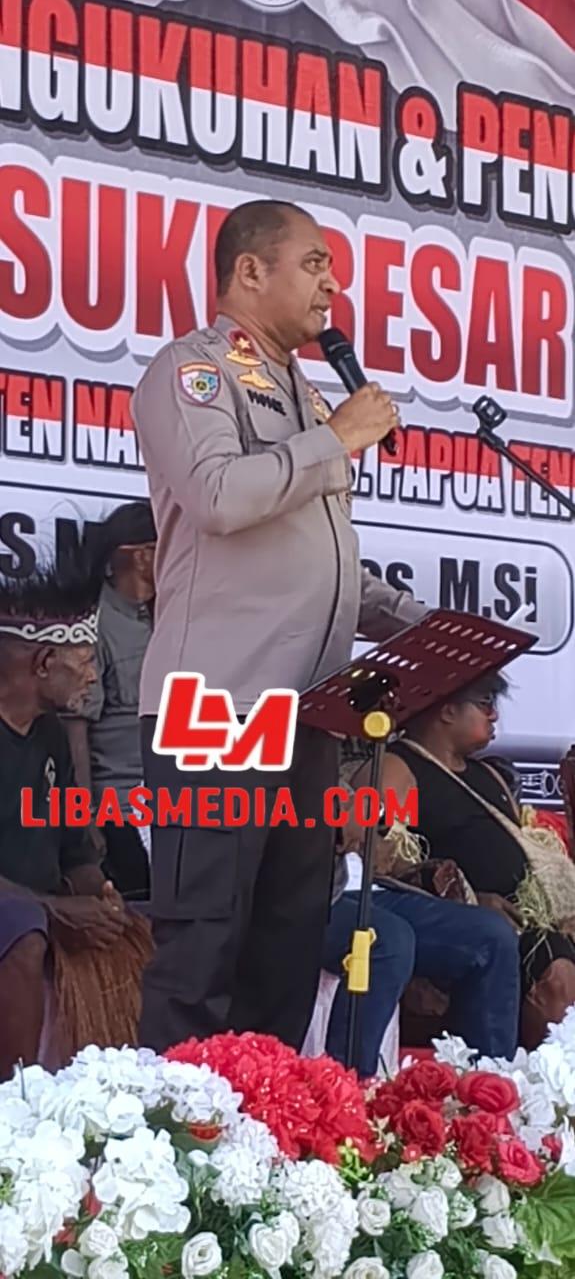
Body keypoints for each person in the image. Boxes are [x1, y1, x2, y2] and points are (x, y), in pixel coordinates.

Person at [131, 198, 428, 1053]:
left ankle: (265, 1121)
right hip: (216, 707)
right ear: (250, 270)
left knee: (286, 947)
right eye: (314, 263)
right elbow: (219, 496)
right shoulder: (193, 370)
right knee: (205, 948)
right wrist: (334, 439)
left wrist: (425, 625)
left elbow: (319, 564)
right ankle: (175, 1132)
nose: (332, 286)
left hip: (307, 713)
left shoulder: (302, 393)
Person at [0, 552, 151, 1080]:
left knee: (156, 927)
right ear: (44, 663)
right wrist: (54, 909)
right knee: (22, 929)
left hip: (38, 906)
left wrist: (99, 896)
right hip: (18, 917)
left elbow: (76, 851)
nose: (92, 677)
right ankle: (13, 1103)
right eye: (84, 661)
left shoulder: (51, 735)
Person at [368, 671, 575, 1048]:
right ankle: (540, 1081)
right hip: (474, 923)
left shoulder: (490, 775)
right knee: (557, 974)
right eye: (486, 704)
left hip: (530, 917)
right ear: (447, 711)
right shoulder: (399, 769)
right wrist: (468, 901)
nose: (494, 716)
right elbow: (377, 861)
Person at [322, 779, 521, 1076]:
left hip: (370, 888)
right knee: (387, 940)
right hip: (314, 894)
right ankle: (344, 1087)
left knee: (492, 936)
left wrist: (370, 827)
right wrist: (337, 818)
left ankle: (484, 1088)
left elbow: (363, 805)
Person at [64, 502, 156, 898]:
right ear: (142, 556)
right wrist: (85, 819)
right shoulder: (94, 622)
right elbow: (74, 728)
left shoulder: (170, 615)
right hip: (121, 810)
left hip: (177, 803)